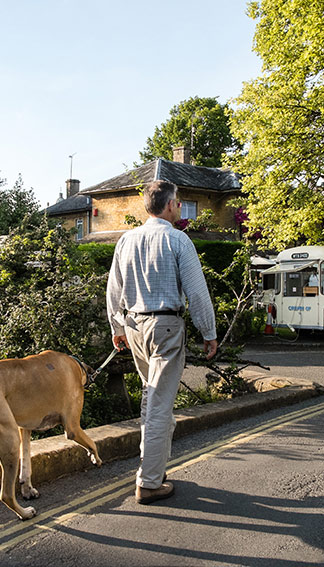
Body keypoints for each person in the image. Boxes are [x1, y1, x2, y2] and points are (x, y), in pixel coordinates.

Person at [106, 180, 218, 505]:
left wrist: (118, 327)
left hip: (134, 326)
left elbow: (114, 289)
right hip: (166, 326)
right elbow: (197, 292)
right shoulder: (178, 239)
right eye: (179, 203)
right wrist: (208, 331)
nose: (179, 208)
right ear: (169, 205)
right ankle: (150, 482)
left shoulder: (126, 240)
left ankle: (152, 467)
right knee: (158, 404)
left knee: (151, 399)